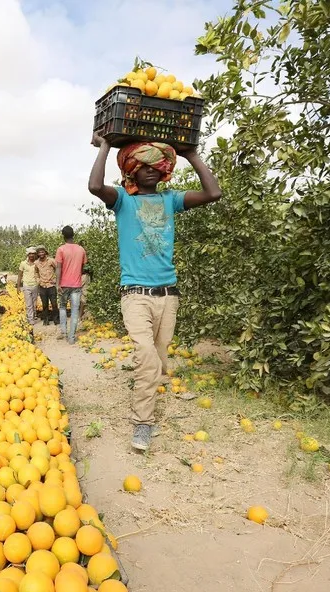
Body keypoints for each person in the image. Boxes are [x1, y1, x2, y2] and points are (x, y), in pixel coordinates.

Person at [88, 135, 221, 452]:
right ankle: (143, 423)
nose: (149, 169)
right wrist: (105, 147)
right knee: (146, 357)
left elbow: (213, 192)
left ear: (164, 170)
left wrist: (192, 155)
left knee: (159, 358)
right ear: (132, 170)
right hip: (135, 294)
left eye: (155, 164)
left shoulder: (171, 200)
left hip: (168, 295)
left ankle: (148, 393)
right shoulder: (123, 201)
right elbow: (95, 187)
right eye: (142, 164)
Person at [54, 226, 87, 343]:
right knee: (74, 311)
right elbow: (83, 267)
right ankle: (72, 338)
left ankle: (64, 332)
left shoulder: (61, 249)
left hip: (64, 284)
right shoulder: (81, 250)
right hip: (76, 285)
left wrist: (57, 284)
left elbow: (58, 268)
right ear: (74, 235)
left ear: (63, 236)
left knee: (62, 307)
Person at [34, 246, 59, 326]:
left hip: (51, 285)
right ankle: (46, 320)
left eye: (42, 252)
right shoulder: (36, 263)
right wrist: (38, 280)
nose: (41, 253)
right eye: (39, 252)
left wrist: (56, 280)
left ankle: (56, 319)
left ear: (45, 252)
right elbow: (36, 272)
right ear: (37, 254)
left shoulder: (51, 260)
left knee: (54, 304)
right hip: (42, 286)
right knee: (44, 305)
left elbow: (58, 269)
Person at [16, 246, 39, 326]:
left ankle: (33, 315)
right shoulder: (23, 263)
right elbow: (19, 276)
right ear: (28, 255)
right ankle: (30, 319)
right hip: (26, 286)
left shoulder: (37, 263)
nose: (32, 255)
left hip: (35, 285)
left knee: (34, 303)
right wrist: (18, 287)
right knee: (29, 304)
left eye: (33, 254)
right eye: (30, 254)